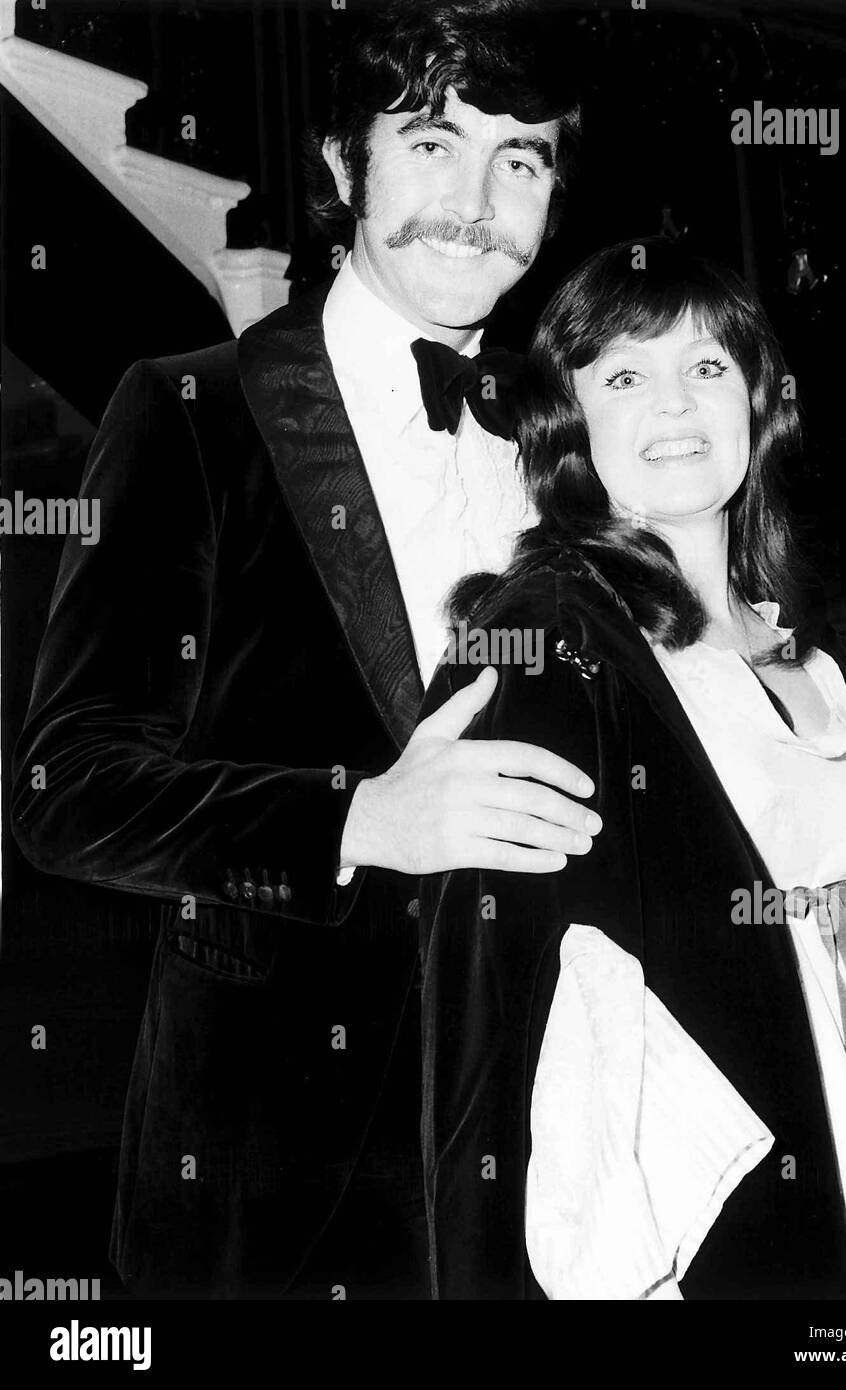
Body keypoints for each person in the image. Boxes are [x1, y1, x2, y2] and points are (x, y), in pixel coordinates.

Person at [10, 0, 597, 1299]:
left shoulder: (580, 447)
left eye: (520, 159)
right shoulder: (188, 410)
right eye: (432, 144)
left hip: (551, 1137)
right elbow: (68, 791)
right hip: (273, 1172)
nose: (475, 199)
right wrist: (358, 818)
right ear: (344, 166)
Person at [418, 237, 846, 1300]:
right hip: (718, 1196)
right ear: (570, 422)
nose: (674, 404)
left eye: (708, 367)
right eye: (625, 375)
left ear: (758, 401)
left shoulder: (810, 648)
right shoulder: (546, 645)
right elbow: (499, 1014)